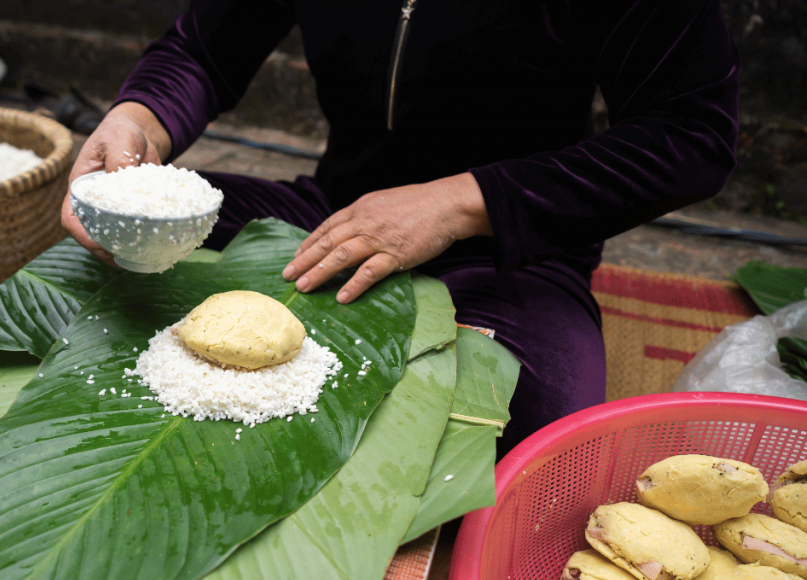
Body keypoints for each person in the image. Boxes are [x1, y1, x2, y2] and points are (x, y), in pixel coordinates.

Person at [61, 0, 739, 457]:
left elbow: (692, 133)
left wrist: (457, 203)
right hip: (334, 216)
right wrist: (140, 118)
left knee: (531, 421)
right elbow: (203, 51)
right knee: (98, 264)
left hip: (509, 245)